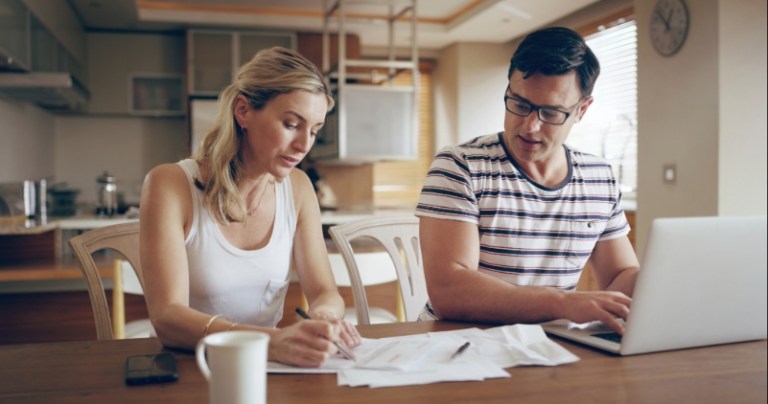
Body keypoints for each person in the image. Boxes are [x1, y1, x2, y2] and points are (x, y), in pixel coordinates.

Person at [139, 47, 360, 367]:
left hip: (270, 365)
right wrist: (267, 342)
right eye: (290, 124)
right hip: (190, 364)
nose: (303, 145)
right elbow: (167, 318)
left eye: (313, 131)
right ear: (243, 111)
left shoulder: (298, 188)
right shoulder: (169, 184)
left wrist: (324, 317)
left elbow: (326, 291)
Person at [415, 27, 639, 335]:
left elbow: (622, 274)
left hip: (550, 345)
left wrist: (663, 278)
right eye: (519, 104)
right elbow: (449, 292)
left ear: (582, 110)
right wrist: (562, 303)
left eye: (550, 113)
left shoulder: (599, 179)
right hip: (459, 346)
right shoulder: (460, 165)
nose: (530, 127)